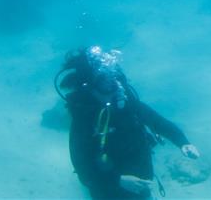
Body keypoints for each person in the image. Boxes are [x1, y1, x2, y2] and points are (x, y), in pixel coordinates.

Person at [56, 46, 200, 199]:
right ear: (90, 89)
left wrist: (183, 142)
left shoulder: (128, 104)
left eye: (116, 84)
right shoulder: (84, 119)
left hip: (142, 185)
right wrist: (117, 180)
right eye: (105, 87)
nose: (116, 93)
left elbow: (159, 122)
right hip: (108, 191)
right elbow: (83, 168)